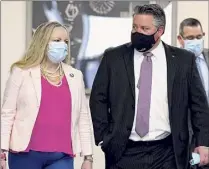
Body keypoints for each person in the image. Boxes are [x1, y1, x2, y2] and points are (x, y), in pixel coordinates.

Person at [90, 4, 209, 169]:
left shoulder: (183, 60)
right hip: (123, 151)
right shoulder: (114, 57)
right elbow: (98, 98)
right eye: (134, 27)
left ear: (159, 31)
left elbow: (199, 104)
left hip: (167, 152)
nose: (137, 32)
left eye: (145, 28)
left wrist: (203, 142)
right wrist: (104, 138)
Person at [0, 21, 93, 169]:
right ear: (42, 43)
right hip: (24, 154)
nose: (63, 45)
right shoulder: (21, 72)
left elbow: (83, 118)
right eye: (57, 40)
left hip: (62, 157)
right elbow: (7, 113)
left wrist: (88, 157)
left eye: (66, 41)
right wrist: (2, 151)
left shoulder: (75, 75)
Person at [178, 18, 209, 101]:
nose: (196, 41)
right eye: (190, 38)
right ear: (180, 39)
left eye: (199, 37)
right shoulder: (174, 61)